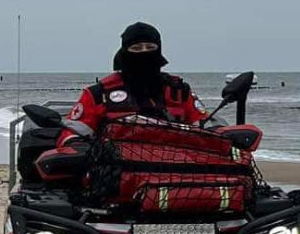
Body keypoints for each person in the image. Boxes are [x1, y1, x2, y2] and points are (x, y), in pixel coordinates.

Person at [57, 22, 206, 148]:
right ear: (124, 52)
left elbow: (208, 127)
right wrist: (78, 147)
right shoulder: (98, 94)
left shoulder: (179, 91)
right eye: (136, 48)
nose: (144, 53)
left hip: (176, 173)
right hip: (118, 173)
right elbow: (72, 133)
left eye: (150, 48)